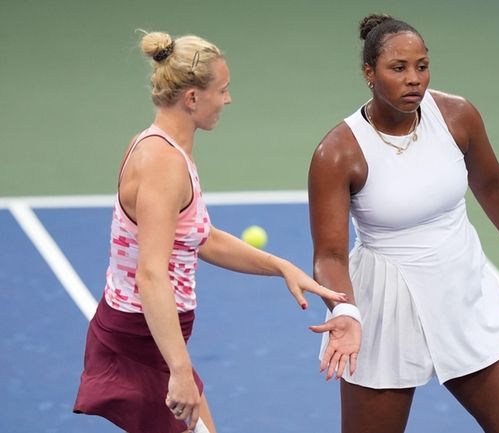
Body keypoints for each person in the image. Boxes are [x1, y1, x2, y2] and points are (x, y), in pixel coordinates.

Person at [73, 31, 347, 433]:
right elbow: (150, 275)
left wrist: (281, 267)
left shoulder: (166, 150)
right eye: (223, 89)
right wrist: (180, 371)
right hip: (142, 336)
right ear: (192, 98)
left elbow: (202, 236)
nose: (228, 99)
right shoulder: (161, 164)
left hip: (152, 333)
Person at [307, 14, 499, 433]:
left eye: (421, 66)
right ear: (369, 73)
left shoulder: (457, 117)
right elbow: (330, 254)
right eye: (398, 68)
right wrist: (346, 310)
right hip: (386, 300)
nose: (414, 80)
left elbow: (494, 187)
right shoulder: (337, 154)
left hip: (461, 284)